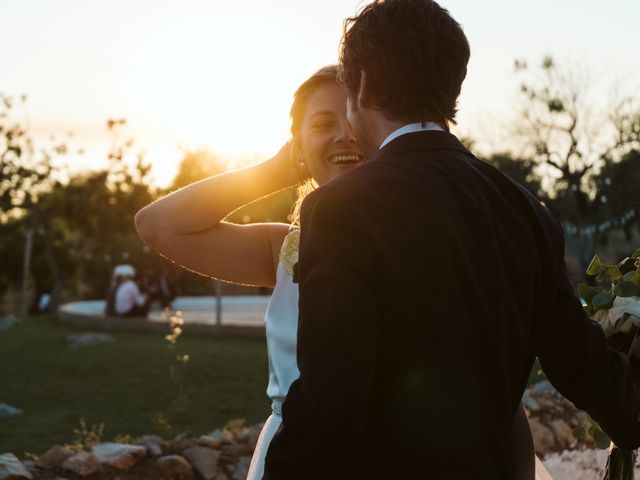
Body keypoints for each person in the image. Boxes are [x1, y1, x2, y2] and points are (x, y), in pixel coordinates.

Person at [261, 1, 640, 479]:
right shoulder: (525, 210)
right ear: (453, 86)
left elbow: (331, 397)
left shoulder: (339, 207)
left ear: (361, 86)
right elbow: (579, 363)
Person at [135, 65, 544, 479]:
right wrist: (280, 169)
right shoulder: (285, 248)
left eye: (352, 119)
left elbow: (501, 401)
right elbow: (159, 225)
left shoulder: (433, 247)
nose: (343, 134)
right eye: (322, 124)